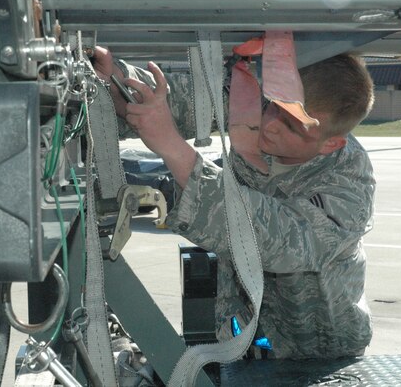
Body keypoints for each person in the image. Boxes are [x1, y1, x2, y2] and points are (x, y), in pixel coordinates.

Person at [94, 46, 376, 360]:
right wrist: (116, 77)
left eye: (292, 126)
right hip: (246, 341)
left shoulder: (350, 184)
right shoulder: (267, 103)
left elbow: (273, 238)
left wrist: (172, 146)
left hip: (321, 352)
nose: (269, 124)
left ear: (331, 143)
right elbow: (187, 101)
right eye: (272, 107)